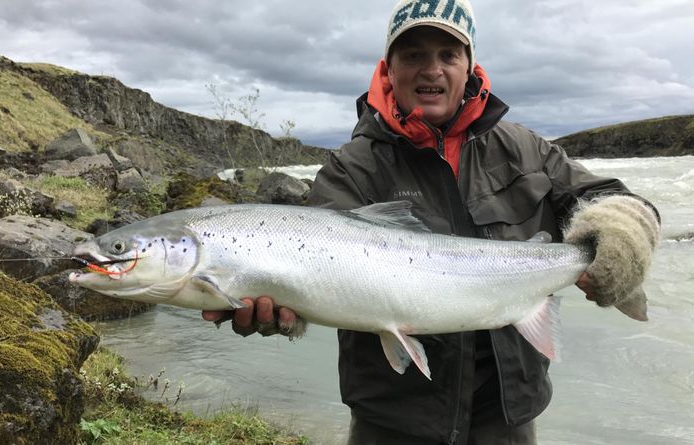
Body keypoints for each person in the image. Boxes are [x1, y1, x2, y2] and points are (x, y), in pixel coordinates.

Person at [202, 0, 661, 443]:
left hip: (506, 412)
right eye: (414, 54)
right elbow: (312, 275)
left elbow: (613, 199)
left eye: (448, 54)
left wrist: (623, 235)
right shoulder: (350, 169)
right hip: (393, 418)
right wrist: (282, 310)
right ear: (389, 68)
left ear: (469, 66)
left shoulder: (526, 150)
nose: (431, 69)